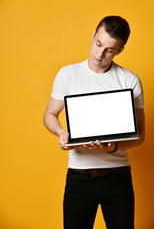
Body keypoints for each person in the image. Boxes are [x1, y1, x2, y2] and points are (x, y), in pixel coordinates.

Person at [43, 16, 145, 229]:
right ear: (92, 36)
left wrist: (113, 147)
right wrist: (61, 132)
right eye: (98, 44)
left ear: (120, 50)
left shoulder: (130, 80)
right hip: (79, 178)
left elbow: (140, 135)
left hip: (118, 178)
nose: (100, 54)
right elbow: (50, 115)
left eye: (109, 49)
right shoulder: (67, 74)